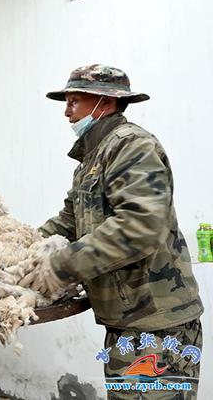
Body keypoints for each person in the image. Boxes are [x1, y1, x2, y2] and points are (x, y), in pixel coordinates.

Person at [25, 64, 203, 399]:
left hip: (157, 324)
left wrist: (58, 267)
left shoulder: (132, 146)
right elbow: (68, 221)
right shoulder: (93, 159)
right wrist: (17, 249)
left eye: (74, 101)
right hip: (127, 321)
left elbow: (140, 226)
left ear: (104, 103)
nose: (67, 112)